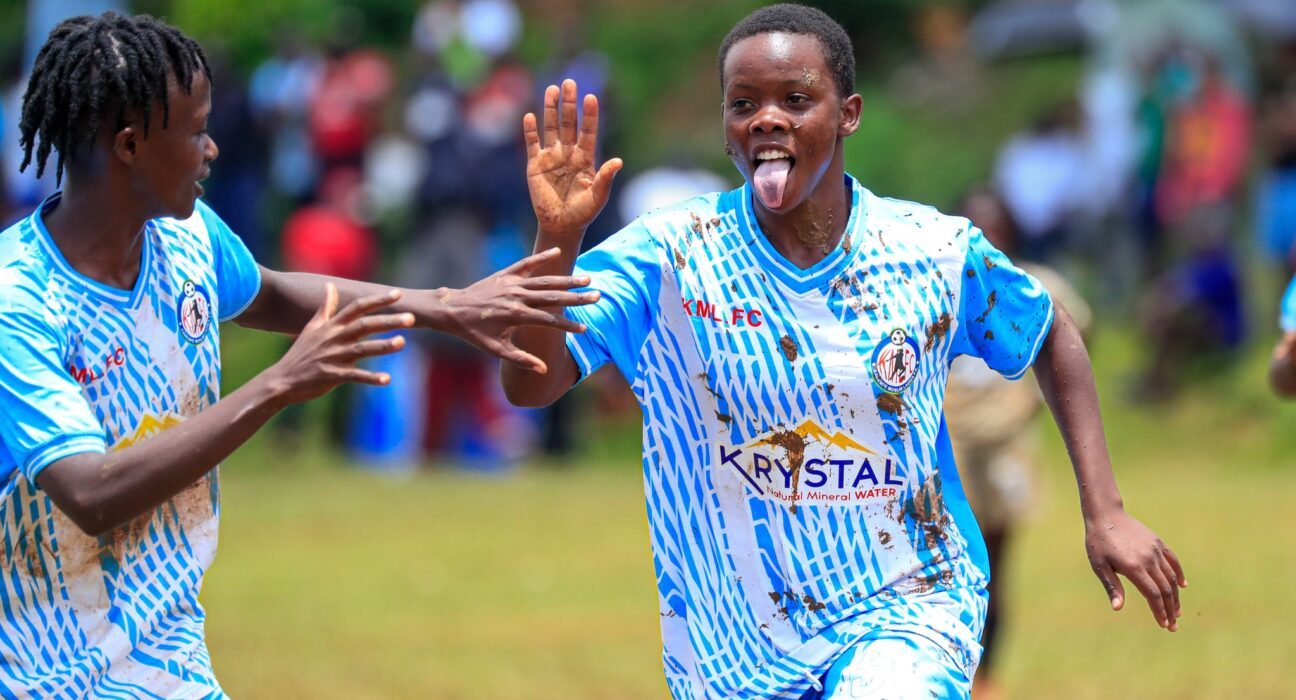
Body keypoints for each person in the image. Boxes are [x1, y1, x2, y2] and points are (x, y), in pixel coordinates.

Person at [501, 5, 1186, 698]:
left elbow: (1049, 330)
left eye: (796, 100)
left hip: (910, 602)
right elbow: (530, 384)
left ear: (848, 114)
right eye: (744, 104)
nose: (767, 119)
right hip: (731, 643)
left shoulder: (932, 251)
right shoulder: (668, 255)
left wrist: (1105, 510)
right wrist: (558, 238)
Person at [0, 12, 598, 696]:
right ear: (131, 144)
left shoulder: (186, 240)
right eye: (195, 130)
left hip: (169, 663)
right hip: (45, 674)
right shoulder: (19, 302)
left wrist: (448, 307)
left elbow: (278, 293)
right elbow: (91, 493)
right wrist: (278, 384)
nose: (212, 148)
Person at [944, 187, 1091, 700]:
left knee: (994, 569)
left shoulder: (1031, 285)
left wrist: (1040, 395)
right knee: (949, 565)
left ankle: (986, 676)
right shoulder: (937, 284)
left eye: (996, 227)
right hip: (951, 445)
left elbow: (1073, 336)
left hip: (1005, 443)